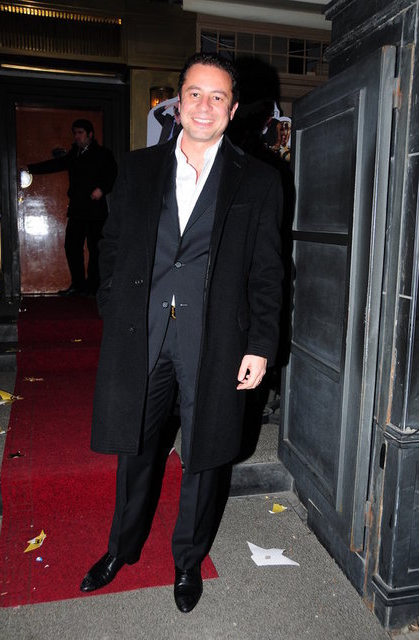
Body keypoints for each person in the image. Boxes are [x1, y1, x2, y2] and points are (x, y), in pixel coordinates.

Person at [80, 52, 284, 613]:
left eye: (218, 97)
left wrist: (260, 346)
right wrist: (112, 303)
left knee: (204, 453)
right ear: (177, 102)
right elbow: (113, 244)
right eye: (195, 93)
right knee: (136, 447)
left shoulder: (259, 180)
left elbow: (268, 272)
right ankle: (120, 549)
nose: (205, 106)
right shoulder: (138, 168)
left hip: (215, 338)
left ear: (233, 110)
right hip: (143, 333)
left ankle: (188, 561)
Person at [25, 119, 117, 296]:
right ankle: (78, 285)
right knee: (72, 246)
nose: (77, 136)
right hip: (77, 208)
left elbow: (112, 174)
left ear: (90, 134)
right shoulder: (74, 154)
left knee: (95, 248)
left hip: (95, 209)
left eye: (80, 133)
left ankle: (93, 287)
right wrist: (30, 168)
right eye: (75, 133)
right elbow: (55, 165)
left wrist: (101, 189)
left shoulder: (103, 154)